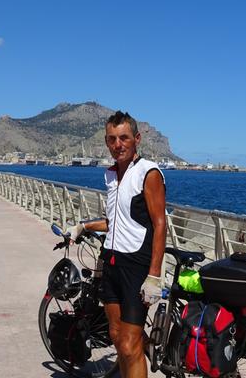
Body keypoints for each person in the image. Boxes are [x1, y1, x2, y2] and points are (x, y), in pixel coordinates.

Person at [69, 111, 166, 378]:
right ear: (106, 141)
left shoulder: (149, 173)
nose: (118, 144)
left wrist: (154, 276)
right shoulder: (111, 176)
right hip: (111, 262)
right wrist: (83, 226)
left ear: (136, 139)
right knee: (116, 336)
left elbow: (160, 224)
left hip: (136, 267)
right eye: (112, 139)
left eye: (123, 138)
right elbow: (114, 222)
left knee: (129, 345)